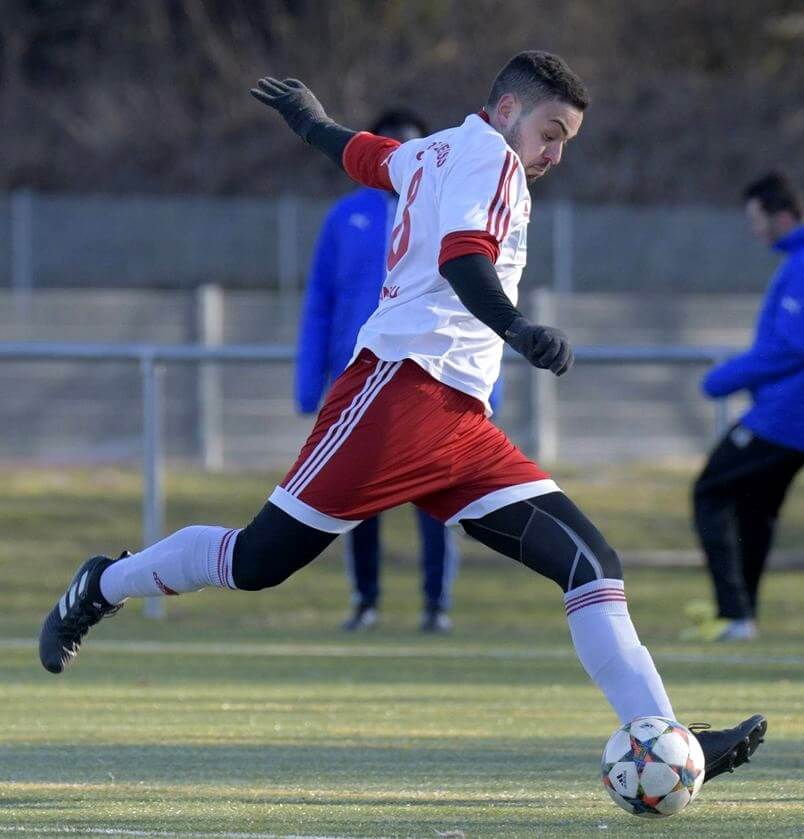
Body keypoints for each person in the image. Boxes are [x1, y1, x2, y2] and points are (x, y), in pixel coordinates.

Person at [39, 50, 766, 784]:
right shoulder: (490, 161)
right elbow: (461, 255)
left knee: (591, 565)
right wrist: (517, 329)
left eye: (565, 142)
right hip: (397, 394)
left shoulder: (436, 149)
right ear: (509, 110)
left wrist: (313, 124)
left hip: (459, 422)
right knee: (257, 561)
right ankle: (102, 584)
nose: (553, 154)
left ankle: (666, 738)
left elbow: (369, 158)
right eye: (552, 132)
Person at [296, 108, 501, 633]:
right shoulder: (346, 217)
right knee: (352, 499)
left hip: (434, 379)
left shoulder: (453, 207)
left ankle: (437, 605)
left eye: (411, 147)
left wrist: (487, 386)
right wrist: (308, 380)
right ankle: (366, 600)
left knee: (436, 497)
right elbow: (320, 298)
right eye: (389, 148)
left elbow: (483, 295)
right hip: (360, 377)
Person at [691, 172, 804, 642]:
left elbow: (798, 347)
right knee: (754, 506)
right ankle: (741, 617)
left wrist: (724, 378)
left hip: (789, 418)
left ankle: (734, 613)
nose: (754, 229)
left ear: (782, 216)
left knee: (711, 491)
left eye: (757, 219)